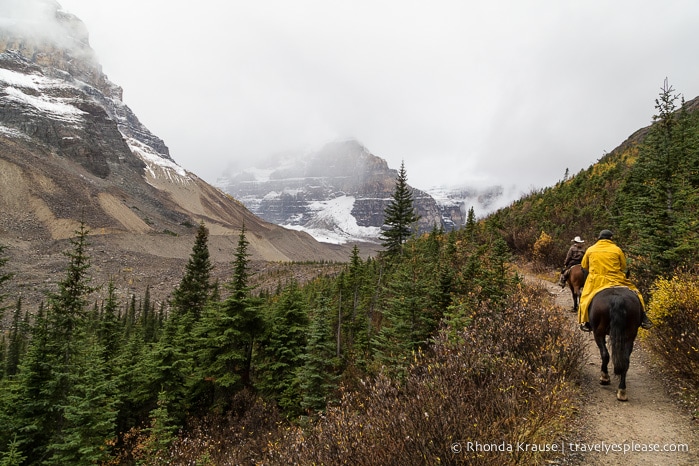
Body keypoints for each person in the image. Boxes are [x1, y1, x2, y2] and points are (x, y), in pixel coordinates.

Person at [577, 229, 652, 332]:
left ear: (599, 237)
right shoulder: (617, 249)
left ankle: (586, 322)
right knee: (636, 293)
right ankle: (644, 317)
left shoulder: (590, 249)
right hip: (616, 278)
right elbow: (623, 266)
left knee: (585, 298)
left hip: (596, 280)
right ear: (611, 238)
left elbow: (584, 265)